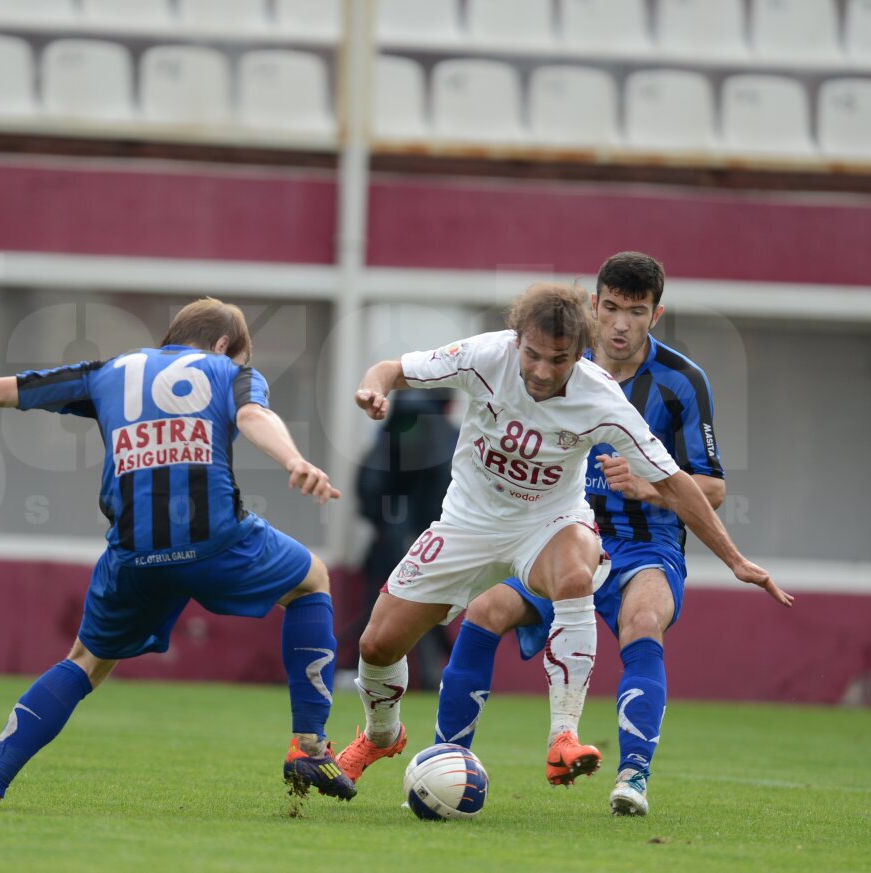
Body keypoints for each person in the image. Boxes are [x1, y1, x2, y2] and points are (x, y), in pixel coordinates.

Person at [0, 297, 357, 808]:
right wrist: (294, 459)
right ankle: (308, 745)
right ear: (224, 346)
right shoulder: (228, 371)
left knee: (85, 662)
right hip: (217, 543)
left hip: (133, 556)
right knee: (311, 579)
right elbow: (252, 415)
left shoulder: (107, 372)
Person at [335, 282, 792, 795]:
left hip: (548, 524)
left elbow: (674, 482)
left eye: (558, 360)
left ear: (580, 354)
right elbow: (392, 369)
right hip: (467, 523)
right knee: (377, 644)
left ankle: (563, 739)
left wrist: (735, 559)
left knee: (577, 571)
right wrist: (373, 389)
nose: (541, 371)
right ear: (516, 341)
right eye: (532, 354)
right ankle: (381, 735)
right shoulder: (484, 356)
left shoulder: (601, 396)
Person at [437, 252, 768, 816]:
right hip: (558, 536)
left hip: (645, 544)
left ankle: (632, 778)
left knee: (644, 622)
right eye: (611, 308)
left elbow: (711, 488)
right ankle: (446, 764)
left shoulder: (682, 382)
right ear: (594, 305)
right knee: (487, 610)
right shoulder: (560, 360)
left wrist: (647, 487)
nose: (620, 324)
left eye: (635, 312)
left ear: (655, 315)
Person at [353, 389, 458, 689]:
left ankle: (373, 676)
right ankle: (436, 674)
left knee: (385, 607)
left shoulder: (394, 426)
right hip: (432, 534)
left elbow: (372, 480)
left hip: (398, 531)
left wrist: (384, 522)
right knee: (430, 606)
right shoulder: (446, 432)